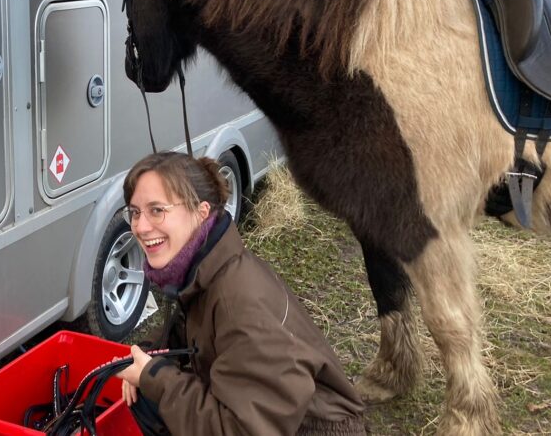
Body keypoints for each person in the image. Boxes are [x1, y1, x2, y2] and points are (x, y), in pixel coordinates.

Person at [115, 152, 366, 436]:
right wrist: (147, 355)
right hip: (274, 418)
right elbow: (186, 328)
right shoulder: (205, 267)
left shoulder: (238, 300)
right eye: (135, 212)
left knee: (153, 394)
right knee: (146, 398)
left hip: (312, 429)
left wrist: (156, 379)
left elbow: (240, 430)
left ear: (201, 211)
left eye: (157, 210)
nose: (141, 226)